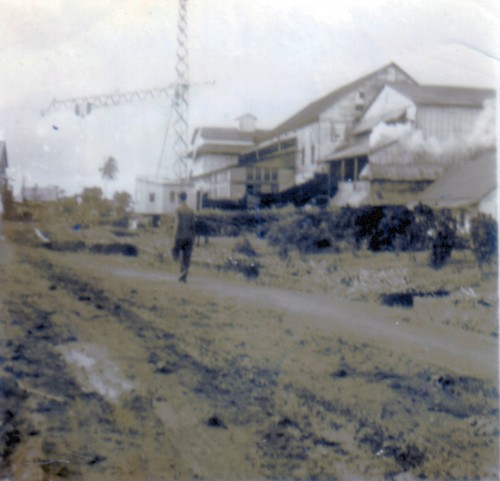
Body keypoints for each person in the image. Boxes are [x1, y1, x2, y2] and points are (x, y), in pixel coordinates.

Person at [172, 191, 195, 283]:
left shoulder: (178, 210)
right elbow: (193, 225)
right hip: (189, 236)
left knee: (176, 253)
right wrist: (193, 237)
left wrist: (174, 235)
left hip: (180, 236)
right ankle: (184, 274)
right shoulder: (191, 210)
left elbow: (177, 223)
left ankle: (182, 273)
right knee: (187, 256)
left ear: (179, 198)